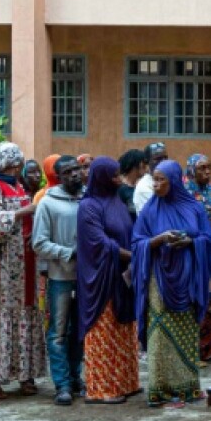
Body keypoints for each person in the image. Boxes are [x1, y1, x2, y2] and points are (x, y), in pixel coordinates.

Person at [131, 159, 211, 408]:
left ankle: (187, 385)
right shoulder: (149, 210)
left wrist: (190, 242)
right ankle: (160, 388)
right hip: (159, 280)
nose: (156, 185)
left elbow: (207, 239)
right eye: (154, 180)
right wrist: (158, 240)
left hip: (186, 277)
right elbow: (137, 244)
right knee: (159, 332)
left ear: (175, 181)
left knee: (186, 330)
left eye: (161, 180)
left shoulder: (194, 208)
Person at [0, 142, 46, 400]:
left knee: (25, 312)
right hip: (0, 266)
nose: (19, 167)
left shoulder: (17, 185)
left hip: (24, 261)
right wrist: (23, 211)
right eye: (16, 162)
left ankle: (25, 375)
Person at [76, 157, 138, 405]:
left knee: (123, 328)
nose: (118, 180)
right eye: (113, 176)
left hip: (122, 275)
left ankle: (125, 382)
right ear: (102, 178)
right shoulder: (89, 206)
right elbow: (99, 243)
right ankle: (102, 388)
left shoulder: (118, 202)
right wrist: (134, 255)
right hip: (100, 278)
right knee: (103, 328)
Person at [32, 155, 85, 405]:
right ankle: (62, 385)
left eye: (77, 169)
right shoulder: (48, 203)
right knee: (58, 332)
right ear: (58, 176)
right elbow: (39, 243)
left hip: (86, 278)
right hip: (60, 276)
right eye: (68, 172)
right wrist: (68, 253)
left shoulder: (88, 199)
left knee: (80, 331)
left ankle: (76, 378)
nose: (74, 174)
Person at [184, 154, 211, 364]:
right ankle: (194, 350)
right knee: (198, 297)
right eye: (201, 168)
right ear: (191, 170)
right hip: (195, 253)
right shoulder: (185, 193)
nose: (207, 172)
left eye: (208, 167)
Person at [132, 142, 168, 213]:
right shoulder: (144, 187)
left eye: (165, 158)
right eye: (158, 159)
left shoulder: (168, 180)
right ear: (147, 161)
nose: (164, 161)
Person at [117, 149, 149, 219]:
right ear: (136, 166)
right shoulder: (121, 189)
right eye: (144, 166)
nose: (147, 169)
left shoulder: (143, 186)